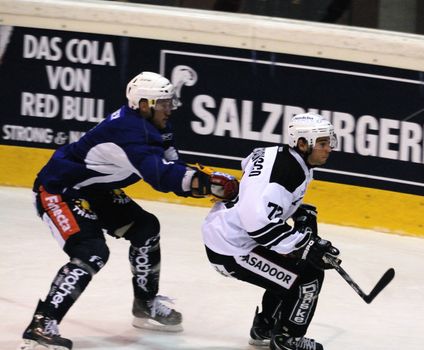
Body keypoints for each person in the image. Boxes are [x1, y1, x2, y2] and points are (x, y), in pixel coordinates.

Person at [18, 70, 238, 350]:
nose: (169, 109)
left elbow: (172, 163)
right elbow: (159, 175)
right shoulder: (131, 131)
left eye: (170, 103)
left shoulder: (154, 125)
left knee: (146, 229)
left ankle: (145, 304)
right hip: (60, 190)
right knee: (91, 252)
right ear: (144, 104)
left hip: (92, 189)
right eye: (164, 103)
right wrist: (206, 184)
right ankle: (41, 324)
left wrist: (202, 181)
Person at [201, 113, 340, 350]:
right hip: (232, 248)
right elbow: (257, 225)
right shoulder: (289, 173)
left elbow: (249, 164)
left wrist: (296, 216)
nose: (329, 149)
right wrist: (304, 246)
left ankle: (265, 327)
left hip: (227, 230)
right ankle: (288, 340)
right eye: (323, 144)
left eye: (329, 142)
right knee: (309, 278)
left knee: (303, 238)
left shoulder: (275, 153)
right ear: (303, 144)